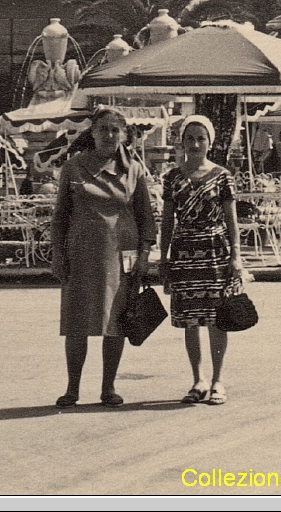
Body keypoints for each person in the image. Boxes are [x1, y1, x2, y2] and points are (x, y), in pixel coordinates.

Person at [51, 106, 155, 407]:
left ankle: (108, 388)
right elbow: (60, 217)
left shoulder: (134, 170)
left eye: (115, 130)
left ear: (124, 134)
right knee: (76, 323)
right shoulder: (73, 167)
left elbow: (146, 217)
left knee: (116, 323)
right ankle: (72, 389)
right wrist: (58, 255)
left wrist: (145, 255)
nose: (109, 135)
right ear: (92, 133)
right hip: (80, 254)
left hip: (122, 257)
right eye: (103, 129)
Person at [160, 115, 244, 406]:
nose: (195, 144)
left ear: (210, 142)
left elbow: (232, 221)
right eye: (190, 138)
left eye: (201, 138)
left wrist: (236, 257)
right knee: (190, 320)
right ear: (182, 142)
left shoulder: (222, 176)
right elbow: (167, 223)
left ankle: (218, 379)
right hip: (183, 252)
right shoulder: (172, 177)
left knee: (216, 319)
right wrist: (163, 259)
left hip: (215, 252)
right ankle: (198, 379)